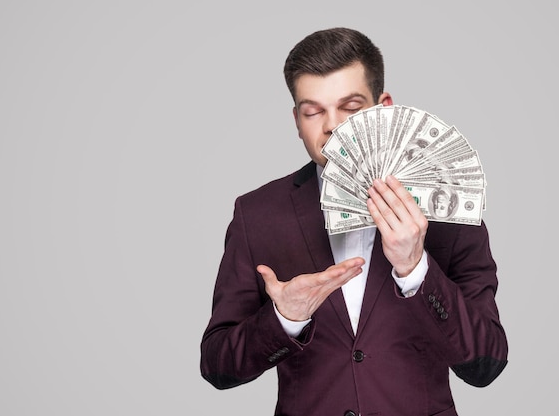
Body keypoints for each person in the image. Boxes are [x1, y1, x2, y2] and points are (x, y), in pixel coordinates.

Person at [200, 27, 508, 416]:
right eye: (313, 111)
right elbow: (217, 366)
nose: (332, 126)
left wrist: (416, 270)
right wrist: (283, 319)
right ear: (297, 120)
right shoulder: (256, 213)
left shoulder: (448, 208)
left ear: (384, 108)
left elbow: (487, 364)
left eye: (350, 107)